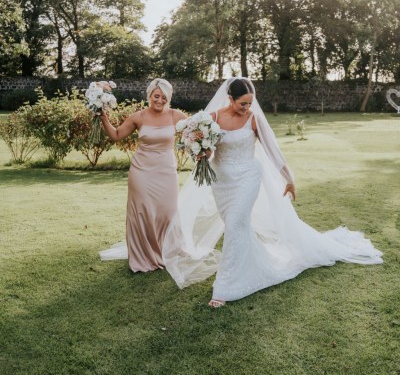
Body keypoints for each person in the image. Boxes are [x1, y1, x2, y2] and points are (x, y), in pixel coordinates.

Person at [162, 77, 383, 307]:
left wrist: (289, 178)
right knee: (236, 227)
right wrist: (200, 151)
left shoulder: (253, 119)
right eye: (243, 104)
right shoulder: (213, 119)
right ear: (230, 99)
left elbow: (271, 150)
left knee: (236, 223)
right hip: (222, 181)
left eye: (250, 103)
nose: (247, 108)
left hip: (248, 177)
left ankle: (225, 286)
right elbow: (208, 154)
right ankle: (255, 263)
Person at [99, 78, 186, 272]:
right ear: (149, 96)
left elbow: (195, 133)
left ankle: (165, 250)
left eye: (164, 97)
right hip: (142, 172)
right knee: (143, 212)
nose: (160, 100)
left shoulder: (176, 115)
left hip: (166, 171)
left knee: (167, 211)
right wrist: (103, 116)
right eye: (156, 96)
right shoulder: (138, 117)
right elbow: (115, 135)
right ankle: (143, 255)